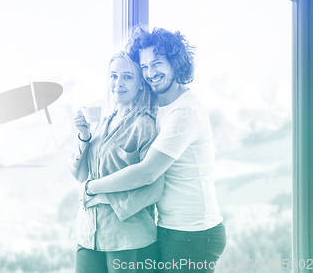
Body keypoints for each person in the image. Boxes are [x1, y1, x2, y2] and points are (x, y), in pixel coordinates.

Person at [83, 28, 226, 272]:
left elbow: (147, 172)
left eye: (157, 63)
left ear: (176, 63)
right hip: (169, 227)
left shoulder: (184, 112)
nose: (150, 73)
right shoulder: (157, 103)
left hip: (193, 232)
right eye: (144, 66)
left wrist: (91, 187)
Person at [70, 52, 165, 273]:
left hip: (128, 237)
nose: (118, 83)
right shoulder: (103, 122)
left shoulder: (145, 126)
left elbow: (154, 188)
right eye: (113, 76)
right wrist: (84, 136)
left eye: (127, 77)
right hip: (88, 232)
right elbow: (81, 175)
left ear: (141, 84)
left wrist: (100, 196)